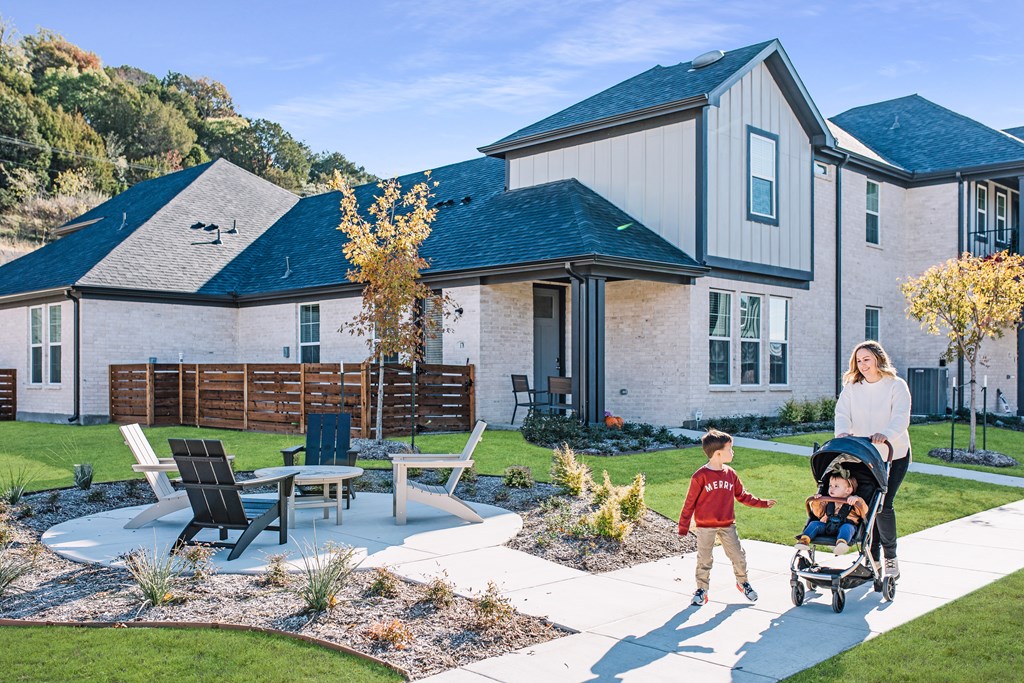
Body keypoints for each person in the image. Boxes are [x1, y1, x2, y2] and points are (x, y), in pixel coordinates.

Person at [834, 340, 912, 579]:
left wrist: (885, 435)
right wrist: (843, 433)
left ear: (878, 359)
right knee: (867, 507)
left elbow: (901, 417)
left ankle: (890, 559)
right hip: (863, 455)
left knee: (884, 505)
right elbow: (842, 413)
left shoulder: (896, 385)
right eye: (858, 360)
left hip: (893, 454)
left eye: (866, 359)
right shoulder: (852, 387)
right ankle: (871, 558)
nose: (863, 364)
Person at [678, 429, 776, 606]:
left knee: (738, 555)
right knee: (704, 559)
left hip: (727, 524)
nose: (733, 452)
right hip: (705, 526)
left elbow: (743, 496)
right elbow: (689, 502)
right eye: (730, 449)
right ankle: (702, 590)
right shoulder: (700, 476)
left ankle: (743, 582)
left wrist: (762, 503)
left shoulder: (730, 473)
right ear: (718, 453)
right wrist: (683, 527)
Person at [795, 467, 869, 555]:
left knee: (847, 528)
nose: (831, 488)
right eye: (830, 485)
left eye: (836, 486)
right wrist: (817, 501)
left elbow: (864, 511)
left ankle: (841, 543)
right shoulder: (827, 501)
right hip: (827, 526)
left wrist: (857, 500)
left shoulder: (852, 502)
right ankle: (804, 540)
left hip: (845, 527)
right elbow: (818, 514)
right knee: (814, 524)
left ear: (848, 490)